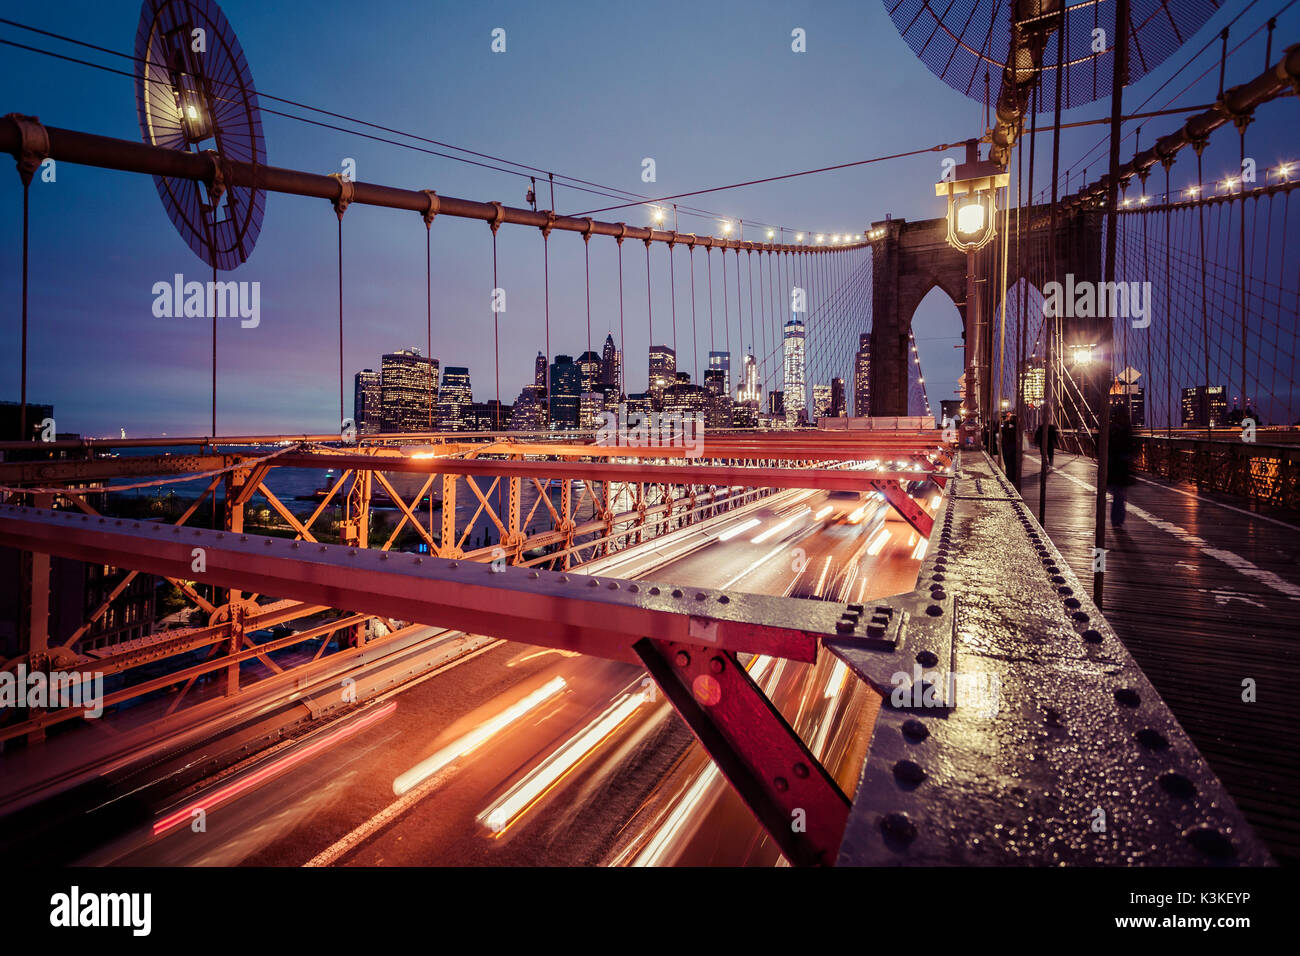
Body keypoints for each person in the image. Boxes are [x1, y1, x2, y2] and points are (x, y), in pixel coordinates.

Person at [1107, 405, 1136, 529]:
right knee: (1120, 495)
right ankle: (1117, 520)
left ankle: (1117, 520)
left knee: (1119, 495)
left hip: (1116, 467)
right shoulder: (1126, 430)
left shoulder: (1112, 430)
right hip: (1120, 467)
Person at [999, 412, 1020, 484]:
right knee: (1014, 462)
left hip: (1007, 446)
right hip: (1014, 446)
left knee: (1008, 462)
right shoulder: (1018, 426)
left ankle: (1009, 476)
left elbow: (1003, 432)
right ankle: (1013, 476)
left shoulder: (1006, 425)